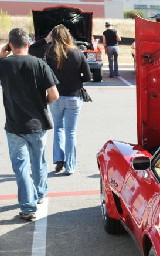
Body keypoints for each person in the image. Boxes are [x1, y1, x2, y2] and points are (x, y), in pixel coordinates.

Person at [0, 28, 59, 221]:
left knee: (21, 167)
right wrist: (43, 103)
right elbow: (54, 95)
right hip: (39, 124)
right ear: (28, 43)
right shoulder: (40, 64)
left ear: (10, 45)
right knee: (39, 161)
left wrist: (0, 56)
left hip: (15, 126)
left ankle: (28, 207)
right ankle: (41, 194)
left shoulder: (3, 64)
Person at [45, 24, 92, 175]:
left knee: (58, 127)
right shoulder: (77, 53)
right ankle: (70, 166)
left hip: (55, 96)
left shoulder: (49, 53)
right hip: (73, 96)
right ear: (68, 36)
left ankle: (59, 159)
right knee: (70, 131)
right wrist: (78, 78)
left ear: (53, 37)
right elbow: (88, 76)